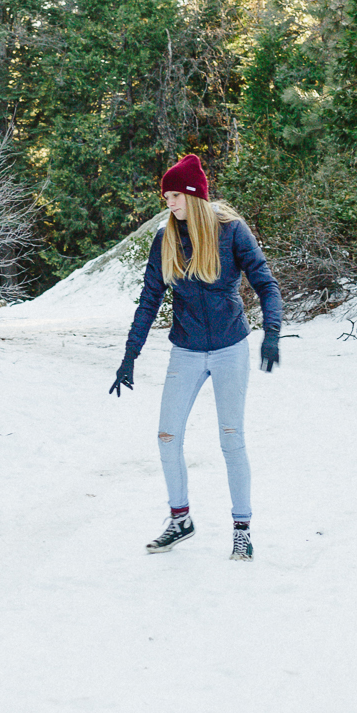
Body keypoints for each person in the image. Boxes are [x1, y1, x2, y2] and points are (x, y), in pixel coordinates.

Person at [110, 155, 283, 561]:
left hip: (228, 348)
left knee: (231, 439)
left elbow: (266, 283)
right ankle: (180, 519)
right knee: (167, 437)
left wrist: (271, 334)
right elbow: (148, 301)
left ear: (194, 194)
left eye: (175, 195)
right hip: (186, 349)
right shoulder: (165, 239)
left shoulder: (231, 232)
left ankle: (242, 529)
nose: (169, 203)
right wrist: (129, 356)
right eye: (166, 196)